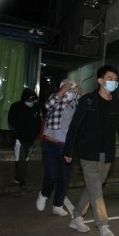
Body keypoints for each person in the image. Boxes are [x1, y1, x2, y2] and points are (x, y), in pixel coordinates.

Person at [64, 65, 119, 236]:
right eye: (110, 78)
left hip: (107, 153)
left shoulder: (118, 104)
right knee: (96, 188)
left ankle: (76, 216)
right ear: (100, 81)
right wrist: (68, 150)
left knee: (93, 186)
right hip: (88, 151)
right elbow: (75, 126)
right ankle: (103, 225)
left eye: (115, 80)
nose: (113, 82)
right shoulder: (88, 100)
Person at [36, 79, 83, 217]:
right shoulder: (56, 100)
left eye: (72, 89)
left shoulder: (75, 104)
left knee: (64, 178)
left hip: (67, 147)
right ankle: (44, 194)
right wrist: (62, 90)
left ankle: (58, 205)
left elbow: (85, 113)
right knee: (51, 174)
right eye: (68, 89)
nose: (70, 92)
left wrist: (81, 95)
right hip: (51, 145)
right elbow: (47, 105)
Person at [8, 88, 42, 188]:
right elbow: (11, 121)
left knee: (25, 159)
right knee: (20, 158)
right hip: (19, 137)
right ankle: (21, 180)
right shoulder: (16, 106)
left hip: (31, 138)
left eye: (33, 100)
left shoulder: (36, 107)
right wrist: (16, 132)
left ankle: (18, 178)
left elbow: (39, 122)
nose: (31, 102)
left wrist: (35, 134)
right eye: (29, 100)